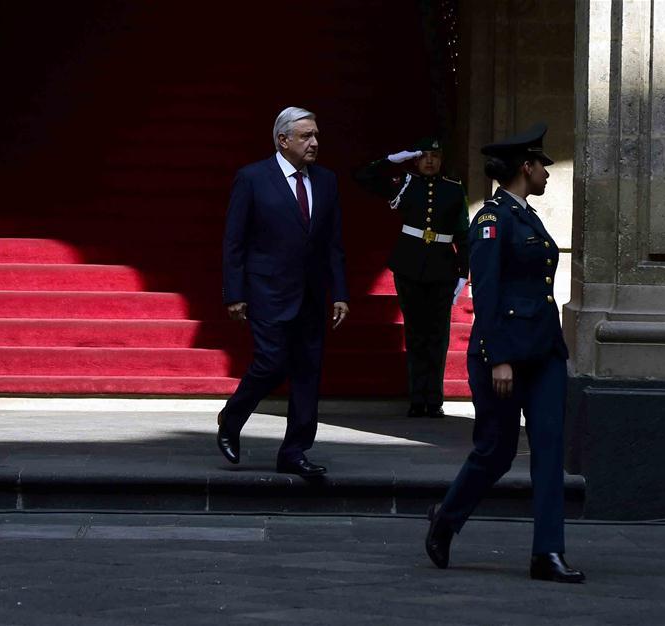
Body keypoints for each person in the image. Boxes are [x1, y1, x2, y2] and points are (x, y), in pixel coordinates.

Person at [424, 123, 585, 583]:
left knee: (549, 450)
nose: (548, 174)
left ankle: (547, 553)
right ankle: (446, 518)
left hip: (544, 352)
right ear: (525, 168)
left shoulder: (527, 216)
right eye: (542, 166)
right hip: (504, 355)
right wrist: (498, 357)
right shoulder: (491, 220)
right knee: (496, 451)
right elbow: (488, 292)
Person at [217, 106, 349, 477]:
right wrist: (234, 293)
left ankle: (295, 451)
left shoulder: (326, 181)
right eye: (306, 136)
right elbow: (234, 241)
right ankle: (232, 418)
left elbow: (333, 243)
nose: (314, 142)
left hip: (312, 294)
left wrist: (340, 292)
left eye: (316, 135)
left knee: (308, 371)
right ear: (283, 140)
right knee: (271, 363)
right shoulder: (253, 178)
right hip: (267, 291)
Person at [355, 138, 469, 418]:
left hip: (442, 268)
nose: (429, 160)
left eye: (435, 155)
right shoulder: (405, 184)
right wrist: (391, 160)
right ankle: (417, 398)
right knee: (415, 333)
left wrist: (463, 272)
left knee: (437, 335)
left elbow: (463, 233)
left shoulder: (453, 189)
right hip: (409, 266)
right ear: (416, 160)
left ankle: (435, 399)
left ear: (442, 159)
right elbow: (363, 177)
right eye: (424, 155)